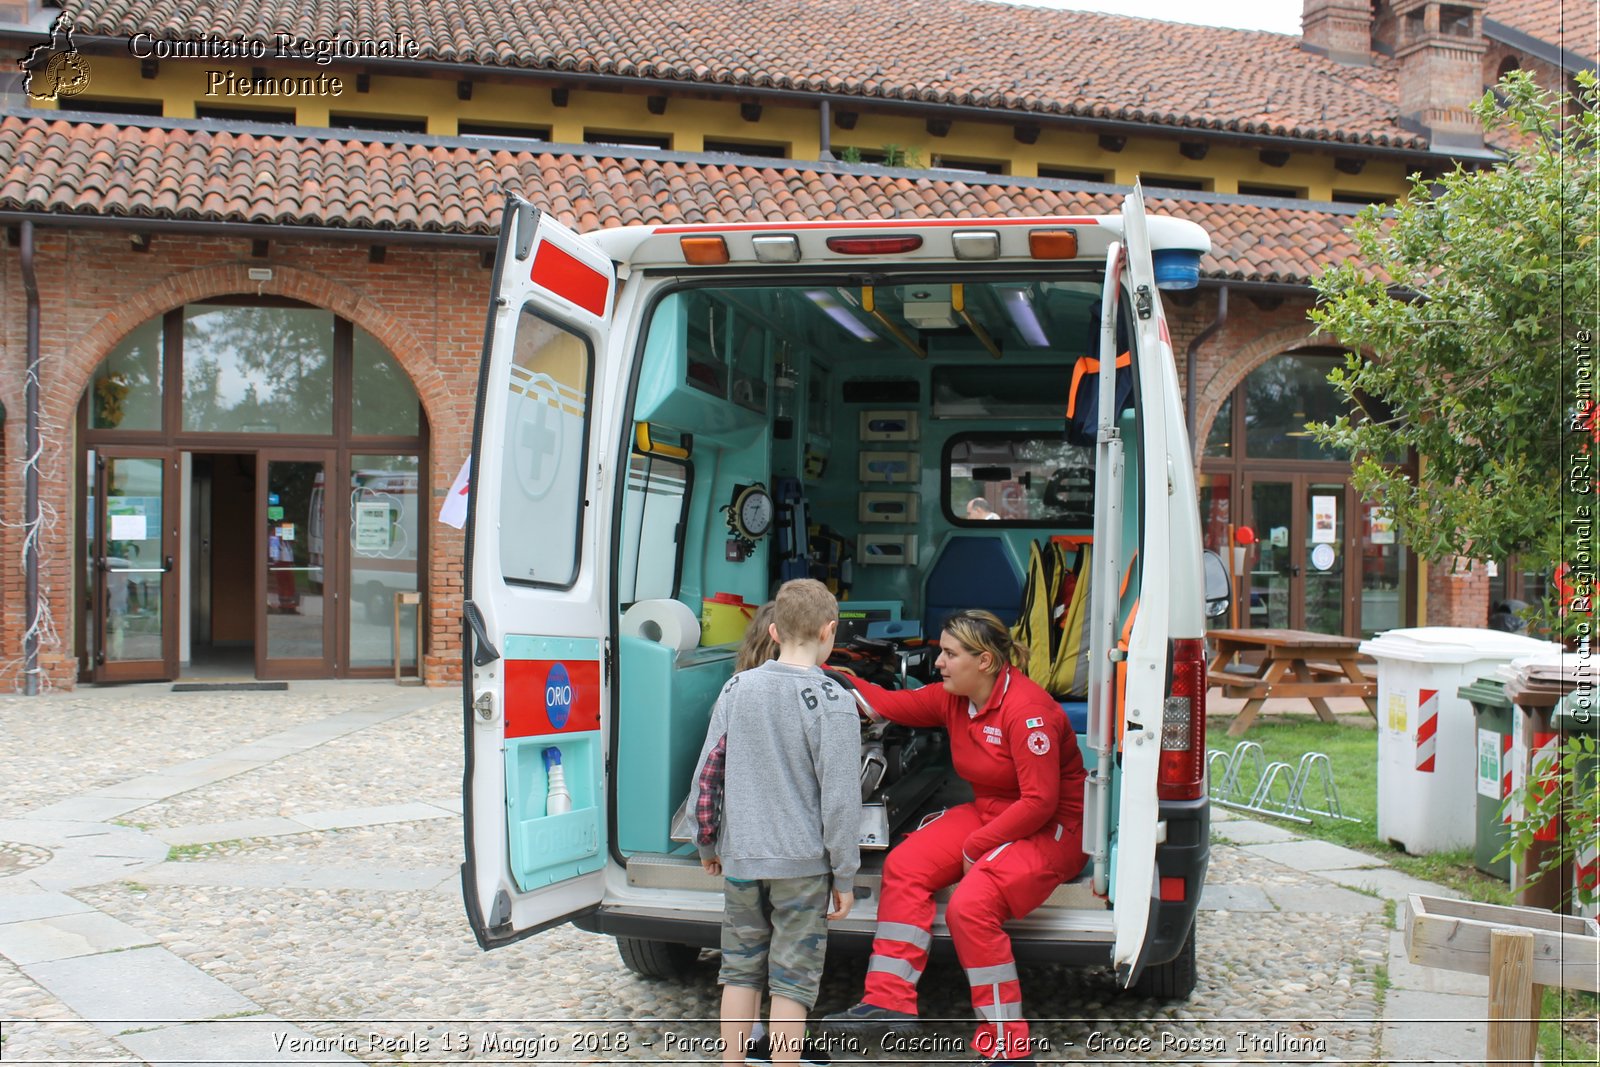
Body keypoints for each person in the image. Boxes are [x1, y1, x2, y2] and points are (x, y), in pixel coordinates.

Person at [821, 609, 1087, 1066]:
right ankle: (889, 1001)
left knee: (971, 907)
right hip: (992, 812)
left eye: (949, 653)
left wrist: (975, 847)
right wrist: (820, 669)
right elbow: (890, 703)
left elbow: (1039, 803)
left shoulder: (1029, 713)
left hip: (1051, 829)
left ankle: (1007, 1044)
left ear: (984, 661)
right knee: (904, 866)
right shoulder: (954, 697)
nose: (938, 662)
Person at [691, 579, 862, 1066]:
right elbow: (841, 800)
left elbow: (708, 772)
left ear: (772, 630)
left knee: (739, 971)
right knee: (792, 978)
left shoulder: (737, 688)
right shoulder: (834, 701)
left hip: (743, 858)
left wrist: (708, 843)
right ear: (831, 632)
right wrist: (844, 872)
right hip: (803, 867)